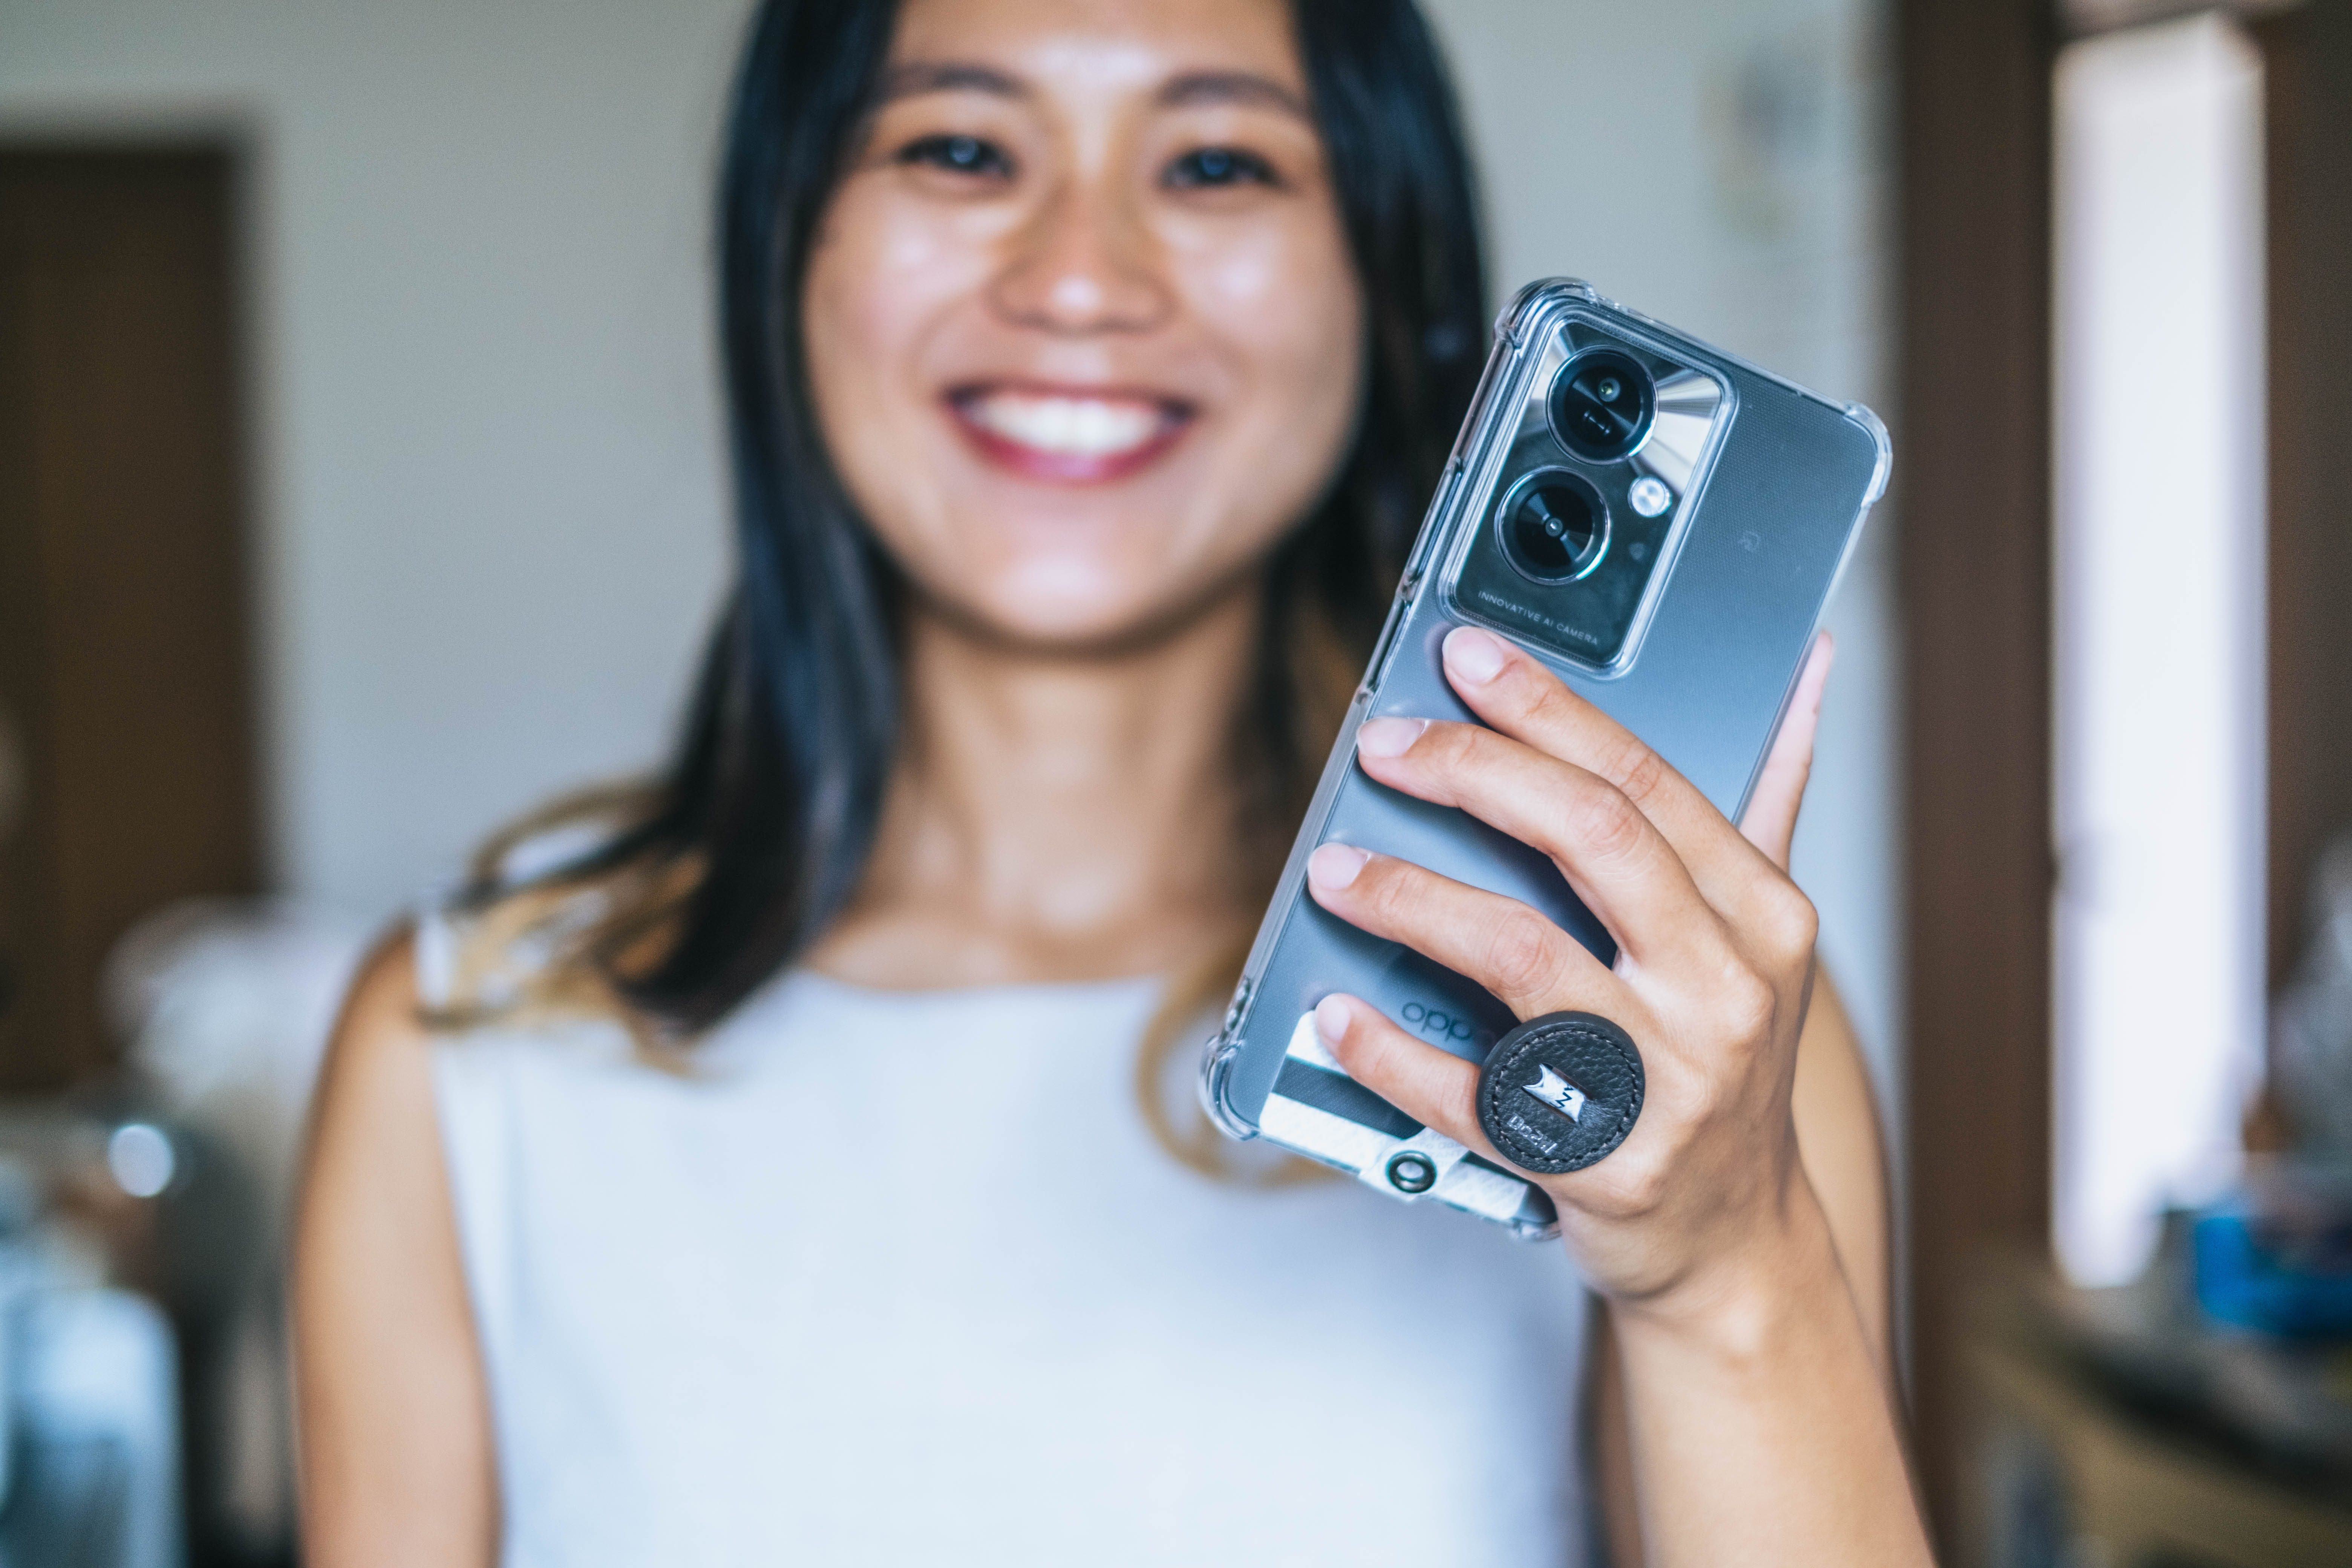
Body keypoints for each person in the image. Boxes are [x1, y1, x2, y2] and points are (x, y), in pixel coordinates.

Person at [291, 0, 1929, 1562]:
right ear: (788, 245)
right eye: (960, 150)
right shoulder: (465, 1052)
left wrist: (1723, 1274)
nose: (1079, 279)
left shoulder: (1653, 1041)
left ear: (1382, 276)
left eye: (1216, 163)